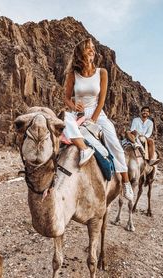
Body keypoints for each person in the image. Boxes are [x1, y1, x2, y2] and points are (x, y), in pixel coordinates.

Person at [62, 37, 133, 201]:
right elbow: (66, 98)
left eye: (93, 48)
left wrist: (93, 120)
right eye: (88, 48)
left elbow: (101, 100)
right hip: (79, 113)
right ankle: (82, 149)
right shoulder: (73, 74)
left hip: (97, 113)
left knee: (114, 142)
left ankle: (125, 182)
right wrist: (74, 107)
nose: (92, 50)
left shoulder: (102, 72)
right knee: (65, 118)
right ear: (81, 53)